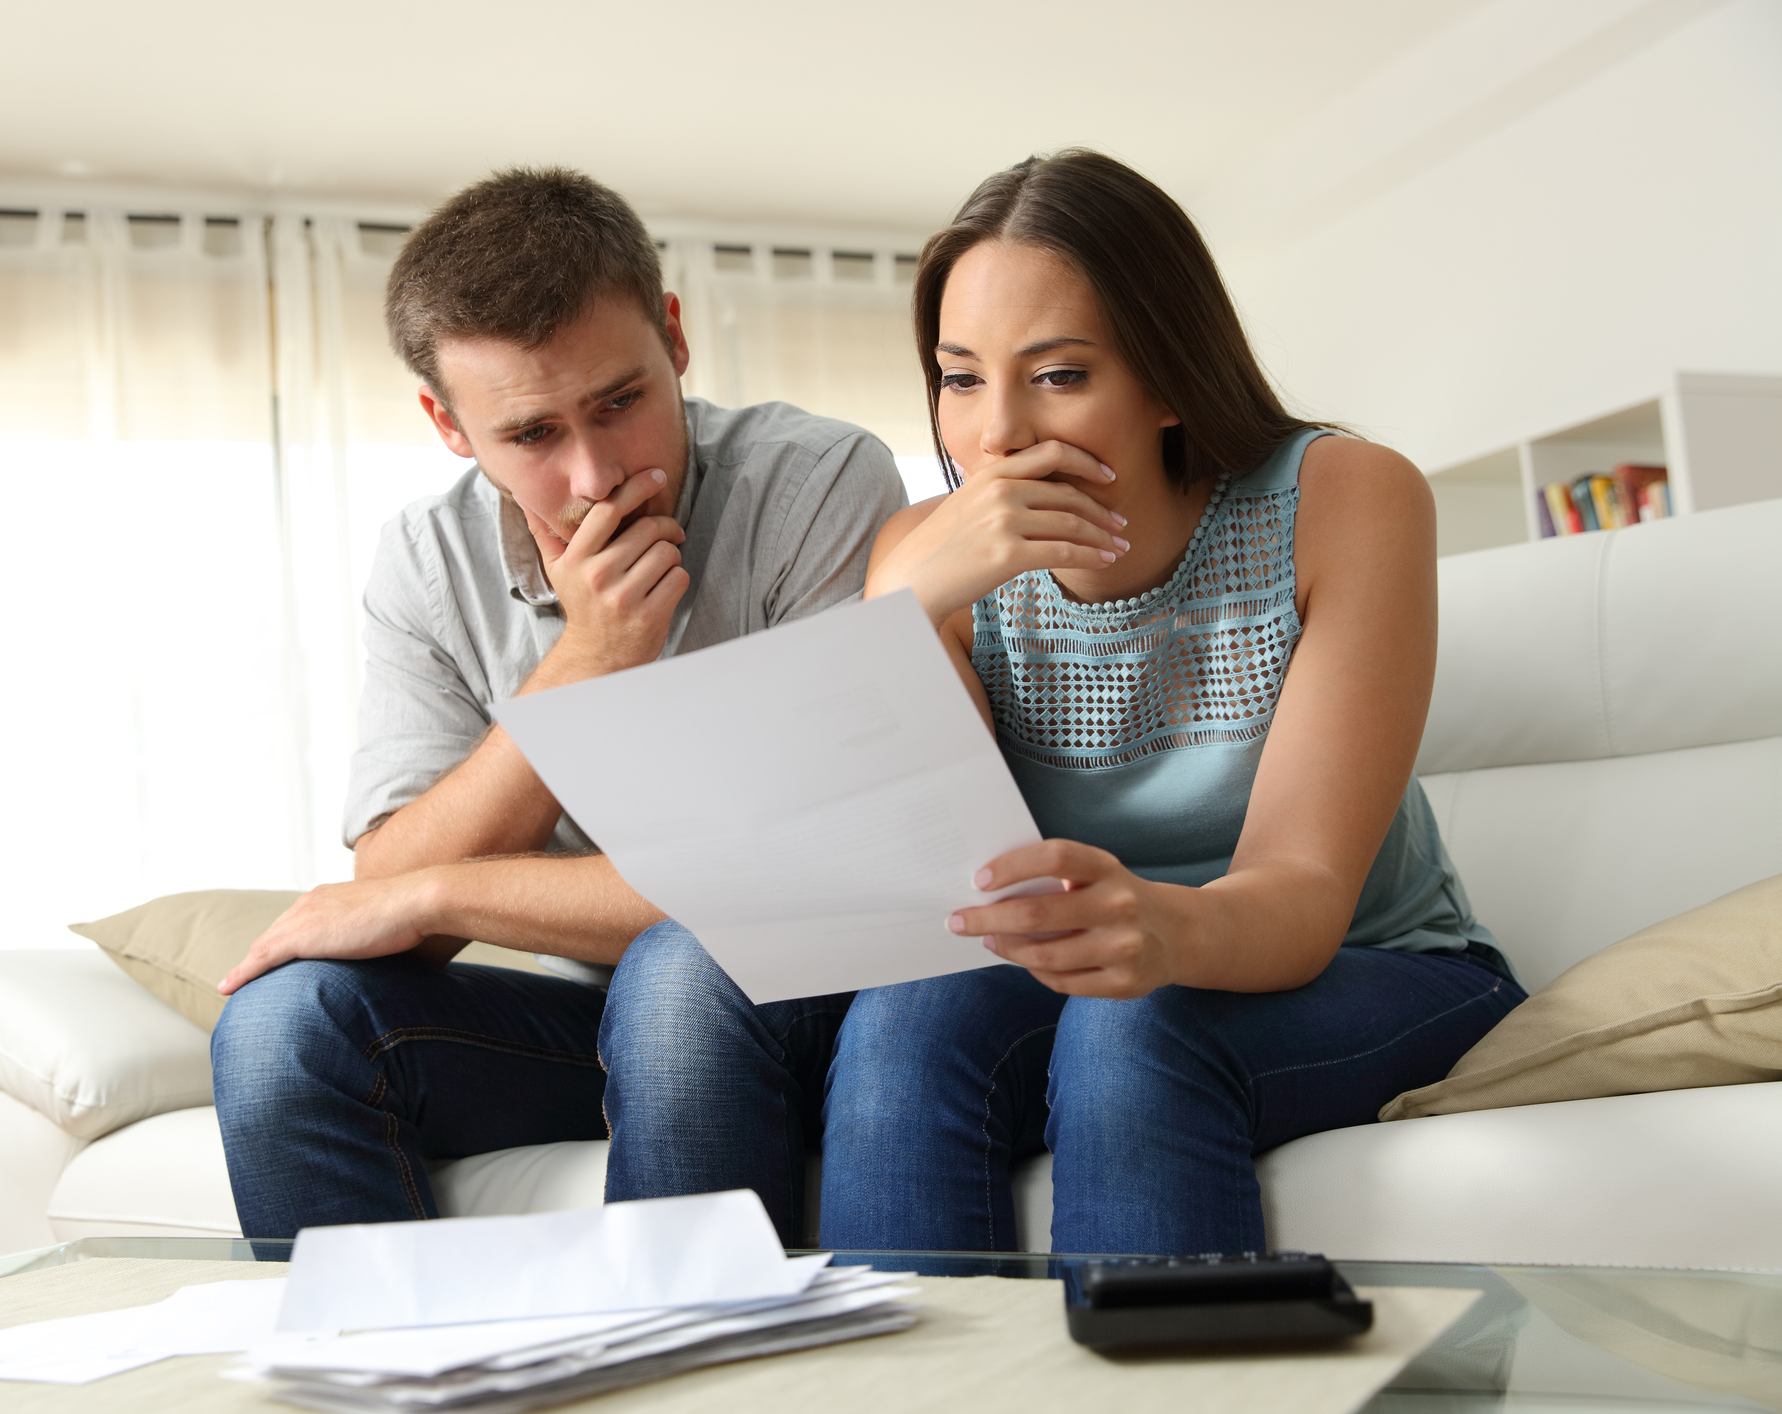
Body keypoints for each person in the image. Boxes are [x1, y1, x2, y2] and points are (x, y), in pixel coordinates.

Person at [601, 149, 1524, 1256]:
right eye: (960, 377)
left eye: (1060, 374)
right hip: (1071, 969)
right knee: (907, 1016)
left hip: (1362, 964)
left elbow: (1308, 894)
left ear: (1172, 377)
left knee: (1136, 1024)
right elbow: (919, 887)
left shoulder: (1344, 498)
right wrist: (896, 613)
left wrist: (1161, 926)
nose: (996, 436)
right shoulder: (920, 559)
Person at [207, 167, 906, 1240]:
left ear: (673, 336)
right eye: (532, 435)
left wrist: (439, 891)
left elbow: (792, 878)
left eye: (620, 403)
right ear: (449, 423)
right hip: (601, 1019)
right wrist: (586, 656)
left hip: (819, 1002)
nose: (592, 474)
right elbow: (387, 903)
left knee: (682, 969)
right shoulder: (427, 563)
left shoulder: (816, 482)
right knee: (280, 1026)